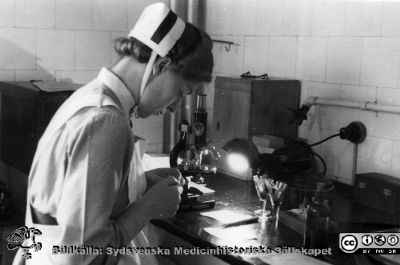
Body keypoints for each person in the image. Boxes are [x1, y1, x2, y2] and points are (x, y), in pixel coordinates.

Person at [13, 2, 213, 265]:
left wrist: (140, 184)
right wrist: (146, 209)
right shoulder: (105, 120)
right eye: (181, 92)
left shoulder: (92, 98)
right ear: (161, 66)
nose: (175, 107)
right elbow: (81, 256)